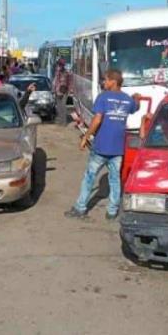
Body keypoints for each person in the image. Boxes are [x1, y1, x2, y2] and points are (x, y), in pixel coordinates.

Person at [65, 69, 141, 221]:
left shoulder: (103, 97)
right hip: (117, 149)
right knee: (115, 180)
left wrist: (86, 136)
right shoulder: (127, 100)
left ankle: (80, 208)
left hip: (101, 147)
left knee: (89, 177)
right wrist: (136, 99)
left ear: (113, 81)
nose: (103, 83)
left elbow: (97, 119)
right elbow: (135, 107)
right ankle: (112, 212)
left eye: (106, 80)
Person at [52, 59, 71, 125]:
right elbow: (55, 82)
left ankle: (64, 121)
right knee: (59, 107)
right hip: (58, 91)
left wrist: (69, 91)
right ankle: (61, 121)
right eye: (58, 65)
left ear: (62, 65)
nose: (59, 66)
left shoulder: (67, 73)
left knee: (63, 106)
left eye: (60, 65)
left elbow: (69, 83)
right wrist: (54, 90)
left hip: (64, 91)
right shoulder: (57, 72)